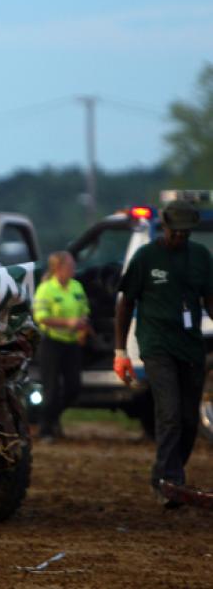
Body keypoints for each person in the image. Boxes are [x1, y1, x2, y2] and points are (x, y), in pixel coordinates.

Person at [114, 199, 213, 507]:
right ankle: (168, 481)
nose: (179, 237)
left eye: (185, 233)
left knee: (188, 420)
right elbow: (125, 304)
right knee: (169, 413)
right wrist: (120, 351)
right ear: (164, 227)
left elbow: (210, 300)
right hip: (156, 344)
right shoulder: (146, 258)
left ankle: (169, 475)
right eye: (175, 232)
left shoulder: (201, 257)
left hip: (190, 346)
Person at [32, 251, 90, 442]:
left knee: (74, 387)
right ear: (58, 268)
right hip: (52, 342)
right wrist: (67, 323)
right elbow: (40, 317)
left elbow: (84, 310)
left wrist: (83, 327)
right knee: (51, 389)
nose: (73, 269)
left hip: (72, 343)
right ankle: (45, 429)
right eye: (70, 266)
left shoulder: (76, 286)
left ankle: (53, 417)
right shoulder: (46, 289)